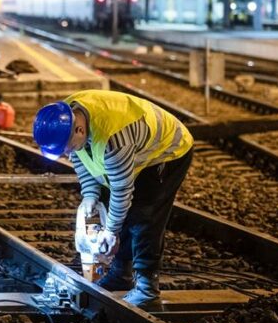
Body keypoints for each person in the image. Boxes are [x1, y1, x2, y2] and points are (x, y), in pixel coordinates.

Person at [32, 89, 194, 306]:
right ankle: (122, 274)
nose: (66, 154)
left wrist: (111, 231)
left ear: (79, 129)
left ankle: (147, 289)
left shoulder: (113, 140)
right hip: (134, 152)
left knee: (143, 216)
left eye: (66, 148)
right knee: (112, 206)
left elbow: (122, 191)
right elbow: (80, 156)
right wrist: (89, 194)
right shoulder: (67, 116)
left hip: (166, 151)